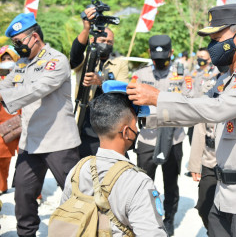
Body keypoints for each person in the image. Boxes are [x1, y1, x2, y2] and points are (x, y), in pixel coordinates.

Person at [127, 4, 236, 237]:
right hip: (224, 196)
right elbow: (196, 109)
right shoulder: (228, 79)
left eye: (216, 38)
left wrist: (158, 97)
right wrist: (140, 114)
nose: (212, 46)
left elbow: (217, 108)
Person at [1, 13, 81, 237]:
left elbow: (35, 90)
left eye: (18, 42)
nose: (16, 48)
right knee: (23, 195)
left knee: (76, 195)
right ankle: (26, 233)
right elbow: (6, 85)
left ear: (34, 36)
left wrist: (4, 94)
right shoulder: (21, 65)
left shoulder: (57, 61)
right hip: (31, 141)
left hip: (59, 141)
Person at [61, 81, 167, 236]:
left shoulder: (77, 170)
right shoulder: (139, 183)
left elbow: (65, 220)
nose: (137, 129)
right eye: (135, 123)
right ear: (126, 132)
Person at [131, 35, 185, 236]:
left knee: (171, 183)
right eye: (155, 59)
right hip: (148, 138)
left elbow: (189, 103)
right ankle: (148, 219)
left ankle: (169, 220)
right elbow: (132, 103)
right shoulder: (140, 74)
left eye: (164, 58)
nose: (159, 62)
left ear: (171, 53)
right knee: (144, 183)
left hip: (173, 138)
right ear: (149, 55)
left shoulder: (181, 76)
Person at [70, 6, 129, 158]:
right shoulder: (86, 59)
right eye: (103, 40)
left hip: (110, 125)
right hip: (85, 125)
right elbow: (75, 56)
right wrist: (86, 28)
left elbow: (123, 92)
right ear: (92, 40)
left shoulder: (120, 63)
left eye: (110, 41)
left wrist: (101, 82)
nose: (106, 44)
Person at [187, 66, 228, 229]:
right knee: (204, 207)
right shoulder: (211, 89)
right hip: (210, 160)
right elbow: (199, 129)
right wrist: (195, 164)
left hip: (233, 163)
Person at [0, 45, 21, 195]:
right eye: (4, 59)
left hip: (23, 122)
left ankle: (34, 193)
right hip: (3, 125)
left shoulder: (23, 75)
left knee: (29, 160)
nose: (7, 62)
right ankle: (2, 187)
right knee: (2, 160)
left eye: (10, 58)